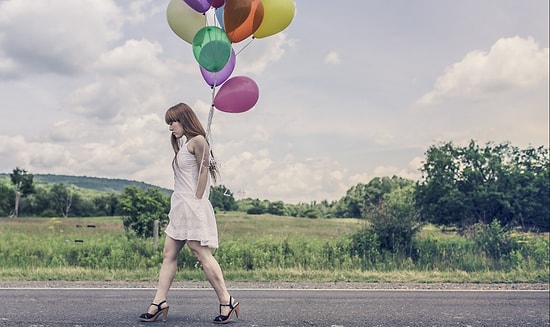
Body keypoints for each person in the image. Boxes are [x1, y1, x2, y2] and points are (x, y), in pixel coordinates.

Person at [139, 103, 239, 324]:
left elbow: (204, 171)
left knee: (199, 252)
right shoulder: (185, 145)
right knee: (168, 254)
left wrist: (197, 201)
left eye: (172, 122)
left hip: (192, 205)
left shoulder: (198, 141)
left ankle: (226, 300)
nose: (170, 128)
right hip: (180, 207)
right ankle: (159, 302)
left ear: (184, 119)